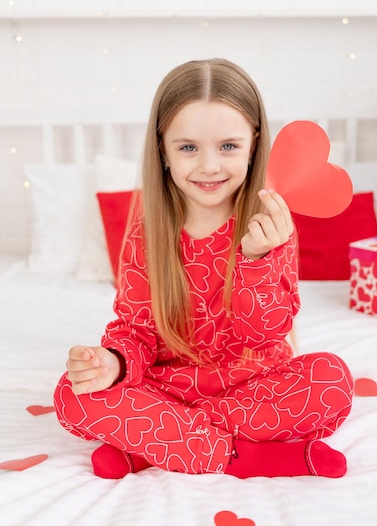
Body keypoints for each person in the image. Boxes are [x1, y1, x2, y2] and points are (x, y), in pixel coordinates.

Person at [54, 58, 353, 480]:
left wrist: (255, 260)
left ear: (253, 145)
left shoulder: (271, 223)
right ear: (163, 149)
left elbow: (264, 333)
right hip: (167, 385)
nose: (209, 166)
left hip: (251, 384)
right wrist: (114, 363)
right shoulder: (148, 231)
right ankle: (249, 459)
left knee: (331, 381)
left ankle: (151, 446)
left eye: (228, 146)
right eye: (188, 147)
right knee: (72, 395)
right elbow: (136, 332)